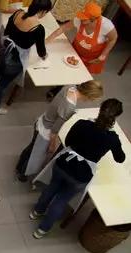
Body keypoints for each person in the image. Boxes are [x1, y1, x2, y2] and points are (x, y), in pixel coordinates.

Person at [30, 99, 126, 238]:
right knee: (62, 200)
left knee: (52, 187)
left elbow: (68, 141)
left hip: (64, 164)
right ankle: (42, 230)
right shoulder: (112, 138)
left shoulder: (82, 124)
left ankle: (37, 211)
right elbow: (120, 158)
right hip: (81, 174)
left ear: (100, 109)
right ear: (115, 117)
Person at [15, 80, 103, 182]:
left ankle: (19, 166)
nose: (92, 101)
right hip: (46, 131)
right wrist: (53, 144)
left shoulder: (70, 87)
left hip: (42, 120)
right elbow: (55, 130)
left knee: (31, 148)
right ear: (88, 95)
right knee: (35, 156)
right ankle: (23, 174)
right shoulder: (69, 107)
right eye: (93, 98)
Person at [0, 0, 50, 115]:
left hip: (5, 49)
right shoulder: (38, 29)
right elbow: (40, 50)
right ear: (43, 12)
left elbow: (7, 31)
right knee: (3, 83)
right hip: (17, 59)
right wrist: (44, 56)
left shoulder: (18, 13)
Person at [45, 2, 118, 99]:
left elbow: (113, 38)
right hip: (77, 50)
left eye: (85, 19)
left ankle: (72, 92)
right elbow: (64, 27)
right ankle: (58, 88)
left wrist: (104, 54)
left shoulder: (106, 26)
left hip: (92, 57)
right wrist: (49, 39)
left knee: (80, 76)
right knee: (67, 70)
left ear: (93, 19)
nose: (81, 19)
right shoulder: (79, 19)